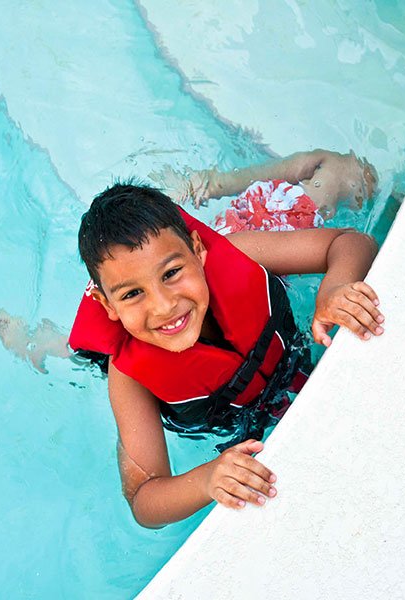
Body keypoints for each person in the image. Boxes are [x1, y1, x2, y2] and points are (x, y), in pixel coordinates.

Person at [68, 179, 384, 528]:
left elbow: (352, 242)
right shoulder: (128, 377)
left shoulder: (238, 253)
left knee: (341, 174)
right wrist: (207, 478)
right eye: (131, 294)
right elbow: (144, 500)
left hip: (278, 364)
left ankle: (216, 180)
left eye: (172, 273)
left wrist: (336, 286)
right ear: (106, 304)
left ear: (198, 249)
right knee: (70, 356)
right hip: (222, 418)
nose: (163, 306)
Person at [149, 149, 378, 229]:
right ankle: (212, 183)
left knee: (338, 168)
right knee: (342, 169)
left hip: (238, 233)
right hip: (262, 231)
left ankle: (210, 183)